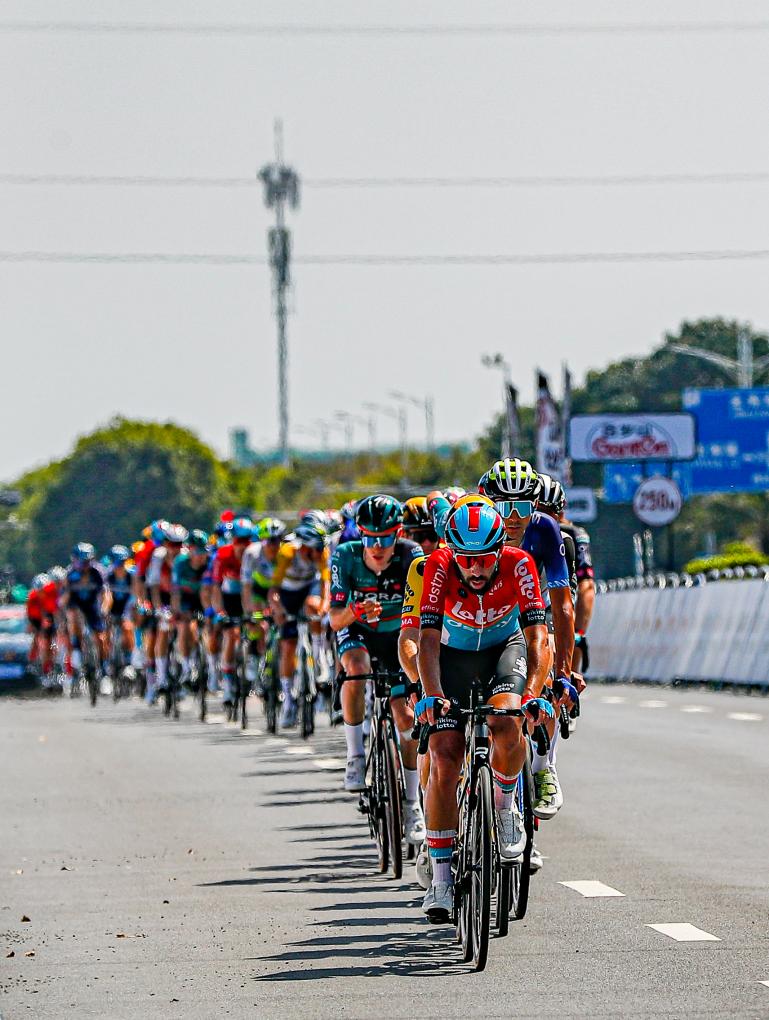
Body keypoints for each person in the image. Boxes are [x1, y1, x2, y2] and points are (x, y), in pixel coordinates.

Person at [414, 501, 551, 921]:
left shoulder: (520, 563)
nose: (475, 569)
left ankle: (505, 807)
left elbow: (538, 637)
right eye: (466, 559)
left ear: (499, 550)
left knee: (506, 722)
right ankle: (441, 881)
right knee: (444, 755)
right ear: (454, 553)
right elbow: (427, 639)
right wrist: (432, 694)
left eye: (484, 559)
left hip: (502, 650)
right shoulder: (438, 565)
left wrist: (532, 694)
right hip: (452, 657)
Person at [478, 459, 578, 822]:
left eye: (522, 506)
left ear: (534, 505)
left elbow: (563, 606)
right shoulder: (474, 527)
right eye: (504, 506)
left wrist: (564, 672)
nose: (513, 517)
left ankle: (542, 765)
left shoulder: (546, 530)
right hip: (487, 618)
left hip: (533, 614)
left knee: (547, 670)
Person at [329, 495, 425, 842]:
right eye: (370, 538)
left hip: (398, 638)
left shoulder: (411, 555)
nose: (377, 547)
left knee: (406, 718)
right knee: (355, 669)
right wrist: (356, 610)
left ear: (398, 534)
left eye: (385, 538)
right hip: (359, 631)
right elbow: (334, 619)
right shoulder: (345, 555)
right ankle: (355, 755)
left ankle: (412, 803)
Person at [268, 520, 331, 728]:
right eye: (315, 550)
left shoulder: (322, 553)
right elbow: (273, 590)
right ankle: (288, 699)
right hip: (287, 593)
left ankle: (319, 657)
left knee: (314, 607)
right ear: (304, 547)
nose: (319, 554)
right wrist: (278, 610)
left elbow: (325, 583)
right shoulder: (287, 553)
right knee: (288, 646)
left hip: (308, 590)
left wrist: (324, 605)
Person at [210, 517, 253, 708]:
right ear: (231, 540)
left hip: (250, 596)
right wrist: (219, 611)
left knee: (259, 626)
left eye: (246, 541)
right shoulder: (223, 554)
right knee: (231, 635)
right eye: (238, 541)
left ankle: (254, 663)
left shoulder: (254, 553)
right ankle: (227, 686)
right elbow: (216, 587)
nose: (242, 546)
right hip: (230, 597)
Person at [63, 542, 109, 680]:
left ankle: (103, 667)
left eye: (87, 562)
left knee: (100, 637)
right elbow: (65, 596)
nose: (84, 566)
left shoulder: (97, 572)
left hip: (91, 605)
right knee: (73, 617)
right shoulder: (70, 573)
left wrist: (104, 608)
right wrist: (64, 607)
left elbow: (105, 594)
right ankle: (77, 650)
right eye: (82, 562)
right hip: (75, 604)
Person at [171, 529, 211, 686]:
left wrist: (211, 612)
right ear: (189, 551)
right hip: (185, 598)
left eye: (203, 552)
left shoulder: (210, 563)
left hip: (204, 598)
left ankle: (210, 664)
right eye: (197, 552)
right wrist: (177, 612)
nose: (201, 556)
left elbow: (212, 591)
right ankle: (187, 667)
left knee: (211, 627)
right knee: (184, 626)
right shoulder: (180, 563)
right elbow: (175, 592)